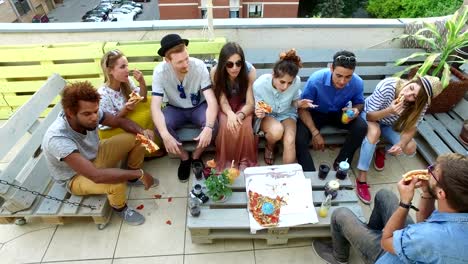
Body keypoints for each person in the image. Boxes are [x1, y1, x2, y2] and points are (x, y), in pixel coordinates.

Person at [312, 153, 468, 264]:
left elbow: (386, 242)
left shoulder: (429, 236)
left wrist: (405, 202)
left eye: (433, 171)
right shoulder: (458, 211)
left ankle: (340, 258)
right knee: (384, 195)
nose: (429, 171)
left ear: (441, 193)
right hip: (420, 247)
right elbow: (424, 222)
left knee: (340, 214)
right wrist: (427, 192)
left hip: (389, 255)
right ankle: (369, 234)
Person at [42, 82, 157, 226]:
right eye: (87, 114)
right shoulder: (58, 139)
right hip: (76, 177)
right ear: (70, 113)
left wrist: (143, 131)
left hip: (96, 155)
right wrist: (140, 173)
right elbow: (96, 176)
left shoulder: (91, 112)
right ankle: (120, 208)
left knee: (140, 138)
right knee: (116, 183)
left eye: (96, 111)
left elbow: (118, 121)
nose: (94, 117)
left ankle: (133, 176)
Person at [355, 75, 443, 204]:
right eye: (411, 88)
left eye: (414, 96)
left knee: (410, 147)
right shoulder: (388, 86)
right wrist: (390, 110)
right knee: (374, 132)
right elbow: (369, 116)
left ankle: (382, 150)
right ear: (411, 81)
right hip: (371, 117)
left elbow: (412, 127)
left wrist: (401, 144)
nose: (408, 95)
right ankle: (361, 178)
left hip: (391, 125)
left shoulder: (420, 105)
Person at [150, 34, 218, 182]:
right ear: (167, 60)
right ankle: (185, 158)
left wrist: (208, 127)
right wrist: (164, 134)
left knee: (214, 124)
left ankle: (196, 156)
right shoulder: (160, 72)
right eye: (180, 62)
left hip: (198, 106)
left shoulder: (198, 66)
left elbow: (211, 100)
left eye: (186, 58)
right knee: (160, 127)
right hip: (175, 108)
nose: (186, 64)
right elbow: (155, 106)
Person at [296, 50, 367, 172]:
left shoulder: (357, 82)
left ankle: (342, 163)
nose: (342, 81)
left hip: (339, 113)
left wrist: (355, 110)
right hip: (315, 113)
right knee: (299, 138)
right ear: (331, 68)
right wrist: (315, 133)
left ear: (353, 73)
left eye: (348, 77)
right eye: (339, 75)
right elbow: (302, 109)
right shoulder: (315, 80)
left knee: (361, 127)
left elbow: (360, 103)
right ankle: (310, 173)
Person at [97, 49, 165, 157]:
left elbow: (142, 98)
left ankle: (160, 141)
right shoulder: (103, 94)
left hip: (125, 116)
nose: (127, 70)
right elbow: (111, 122)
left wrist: (141, 82)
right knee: (142, 118)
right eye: (122, 67)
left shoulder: (126, 80)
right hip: (111, 129)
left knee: (153, 103)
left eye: (127, 66)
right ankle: (150, 151)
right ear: (110, 70)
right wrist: (125, 109)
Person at [253, 49, 315, 165]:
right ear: (273, 75)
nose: (286, 86)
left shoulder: (296, 81)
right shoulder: (260, 84)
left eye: (289, 83)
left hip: (287, 113)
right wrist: (259, 113)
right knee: (277, 131)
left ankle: (288, 175)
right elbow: (259, 108)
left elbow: (294, 102)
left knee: (290, 140)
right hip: (268, 114)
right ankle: (270, 147)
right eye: (282, 82)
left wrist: (300, 104)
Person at [211, 42, 257, 171]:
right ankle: (228, 161)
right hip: (225, 105)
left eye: (238, 63)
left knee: (246, 123)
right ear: (223, 64)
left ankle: (245, 160)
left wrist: (240, 115)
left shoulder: (250, 71)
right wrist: (231, 114)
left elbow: (250, 103)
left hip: (243, 105)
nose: (234, 68)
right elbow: (222, 100)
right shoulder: (216, 72)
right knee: (226, 123)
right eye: (229, 64)